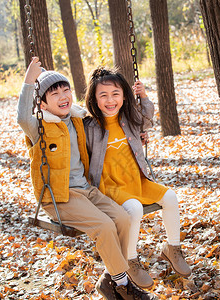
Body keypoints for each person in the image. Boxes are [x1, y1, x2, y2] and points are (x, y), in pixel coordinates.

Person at [17, 57, 158, 300]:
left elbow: (107, 129)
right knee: (103, 226)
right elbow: (21, 116)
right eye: (54, 94)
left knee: (123, 219)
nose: (63, 97)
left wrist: (135, 137)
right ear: (42, 103)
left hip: (86, 190)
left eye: (66, 90)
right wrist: (30, 79)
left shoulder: (77, 119)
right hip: (60, 196)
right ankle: (123, 286)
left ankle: (109, 278)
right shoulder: (38, 125)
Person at [84, 67, 191, 290]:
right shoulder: (91, 126)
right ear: (94, 99)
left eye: (115, 94)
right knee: (134, 208)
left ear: (124, 95)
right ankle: (130, 260)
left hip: (137, 179)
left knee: (170, 197)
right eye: (103, 95)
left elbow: (147, 115)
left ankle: (172, 248)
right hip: (110, 185)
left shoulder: (129, 119)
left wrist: (143, 96)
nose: (110, 100)